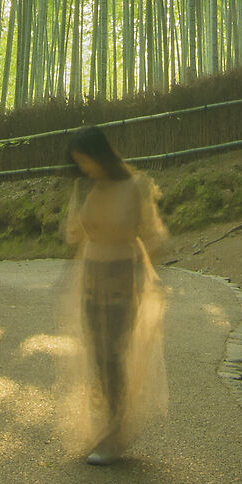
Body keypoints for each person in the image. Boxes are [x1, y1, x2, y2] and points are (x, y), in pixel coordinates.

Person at [60, 125, 169, 465]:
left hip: (124, 275)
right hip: (91, 276)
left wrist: (150, 274)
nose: (85, 168)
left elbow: (152, 233)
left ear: (101, 154)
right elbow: (73, 233)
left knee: (115, 352)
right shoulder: (84, 187)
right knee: (97, 352)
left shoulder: (134, 186)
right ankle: (107, 426)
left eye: (87, 160)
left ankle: (115, 431)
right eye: (79, 163)